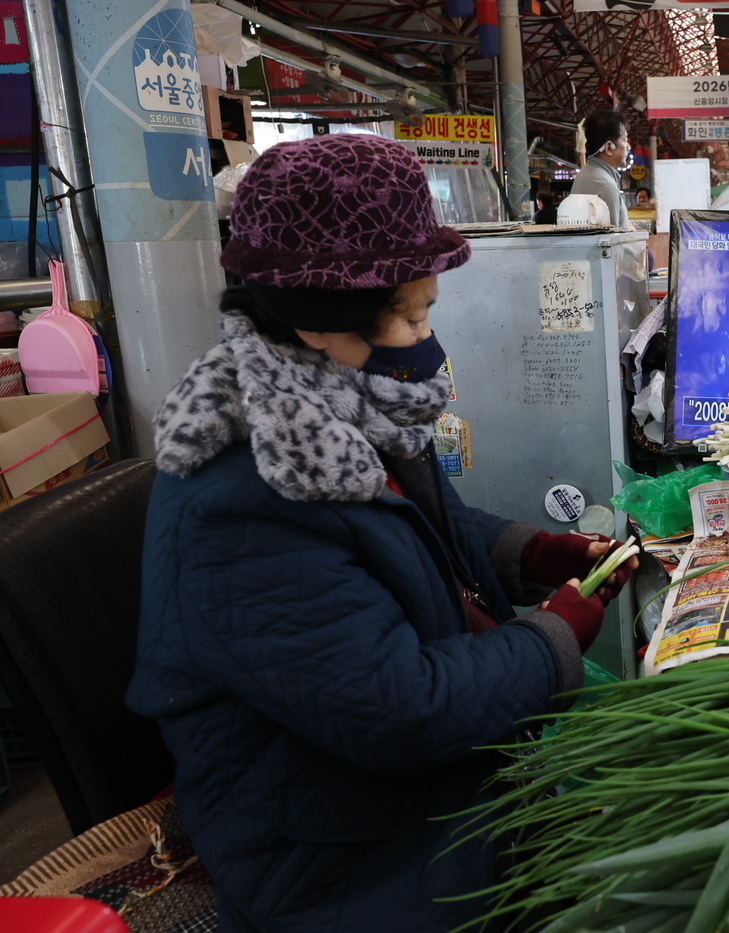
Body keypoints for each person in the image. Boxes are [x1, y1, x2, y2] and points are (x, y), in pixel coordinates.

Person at [126, 134, 637, 933]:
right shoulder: (244, 497)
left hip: (426, 803)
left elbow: (416, 527)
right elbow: (401, 711)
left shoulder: (345, 404)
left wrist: (529, 552)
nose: (427, 337)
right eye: (410, 314)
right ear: (323, 321)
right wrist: (550, 642)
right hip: (352, 866)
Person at [570, 109, 632, 229]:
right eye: (625, 140)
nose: (628, 147)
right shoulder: (605, 187)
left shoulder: (586, 173)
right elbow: (611, 244)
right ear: (609, 147)